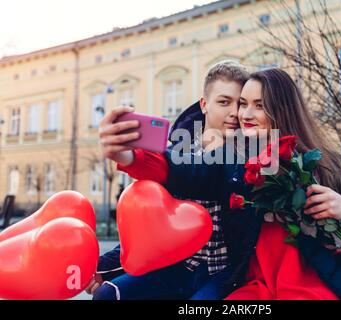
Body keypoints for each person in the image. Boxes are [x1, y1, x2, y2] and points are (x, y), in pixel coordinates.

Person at [116, 68, 341, 300]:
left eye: (258, 105)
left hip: (315, 284)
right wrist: (129, 154)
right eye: (243, 104)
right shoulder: (237, 159)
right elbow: (187, 170)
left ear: (282, 109)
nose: (245, 115)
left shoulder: (327, 162)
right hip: (257, 288)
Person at [87, 61, 250, 300]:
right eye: (224, 102)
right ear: (204, 104)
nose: (235, 112)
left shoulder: (251, 156)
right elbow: (149, 229)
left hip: (224, 273)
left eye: (241, 104)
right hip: (176, 267)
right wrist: (102, 267)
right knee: (107, 295)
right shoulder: (177, 151)